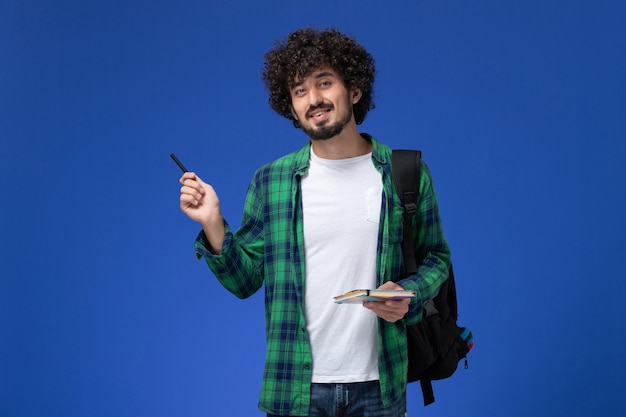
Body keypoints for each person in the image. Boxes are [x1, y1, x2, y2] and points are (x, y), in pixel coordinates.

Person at [178, 28, 451, 417]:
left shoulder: (404, 172)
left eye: (325, 83)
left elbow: (436, 257)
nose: (314, 99)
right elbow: (244, 282)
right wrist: (212, 224)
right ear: (290, 106)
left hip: (380, 385)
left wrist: (408, 295)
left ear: (354, 91)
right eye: (300, 90)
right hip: (295, 390)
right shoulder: (271, 181)